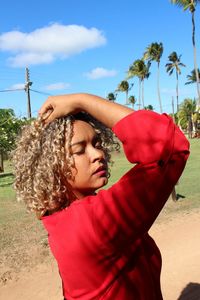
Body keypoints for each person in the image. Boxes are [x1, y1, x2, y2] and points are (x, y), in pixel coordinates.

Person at [12, 93, 190, 300]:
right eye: (79, 150)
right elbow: (168, 146)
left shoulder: (61, 220)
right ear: (52, 167)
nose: (98, 155)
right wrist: (82, 100)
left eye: (97, 144)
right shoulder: (93, 223)